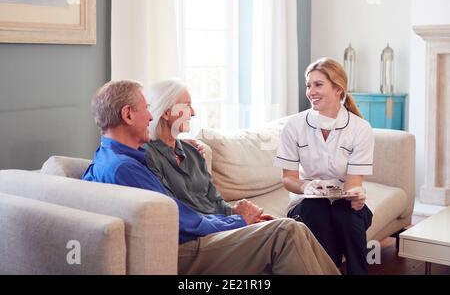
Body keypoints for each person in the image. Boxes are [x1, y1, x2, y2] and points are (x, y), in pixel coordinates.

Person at [83, 80, 340, 275]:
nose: (150, 116)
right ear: (128, 115)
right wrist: (239, 221)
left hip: (195, 236)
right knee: (286, 230)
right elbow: (184, 222)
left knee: (294, 228)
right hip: (184, 248)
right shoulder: (127, 167)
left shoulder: (111, 158)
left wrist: (243, 219)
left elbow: (202, 205)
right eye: (146, 109)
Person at [274, 57, 374, 275]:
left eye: (318, 84)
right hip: (305, 202)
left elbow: (354, 182)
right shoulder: (294, 125)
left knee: (347, 215)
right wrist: (305, 188)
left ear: (338, 88)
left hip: (343, 201)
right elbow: (288, 178)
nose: (311, 91)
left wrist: (356, 197)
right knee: (316, 209)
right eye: (308, 85)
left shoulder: (360, 128)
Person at [143, 79, 275, 222]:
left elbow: (216, 201)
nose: (193, 113)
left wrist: (243, 215)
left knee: (284, 226)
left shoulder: (193, 152)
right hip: (203, 233)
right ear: (166, 113)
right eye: (187, 106)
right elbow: (176, 211)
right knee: (287, 229)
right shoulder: (149, 156)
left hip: (223, 226)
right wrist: (238, 221)